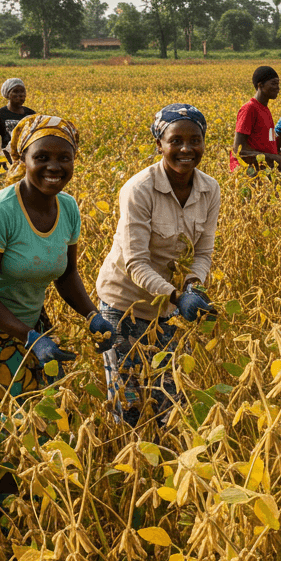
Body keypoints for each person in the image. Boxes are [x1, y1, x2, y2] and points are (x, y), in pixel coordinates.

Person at [0, 115, 115, 423]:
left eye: (65, 158)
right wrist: (31, 338)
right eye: (42, 157)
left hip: (29, 326)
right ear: (22, 159)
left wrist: (92, 314)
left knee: (43, 417)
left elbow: (67, 275)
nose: (54, 167)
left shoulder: (69, 208)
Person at [96, 104, 219, 426]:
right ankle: (130, 468)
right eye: (175, 140)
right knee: (129, 402)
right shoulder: (139, 189)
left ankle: (165, 465)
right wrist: (179, 297)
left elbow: (203, 252)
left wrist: (194, 287)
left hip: (168, 310)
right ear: (159, 145)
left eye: (195, 140)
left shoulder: (209, 189)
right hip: (124, 305)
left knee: (169, 400)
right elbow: (136, 261)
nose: (186, 149)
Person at [230, 66, 281, 175]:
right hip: (250, 173)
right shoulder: (249, 109)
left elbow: (268, 146)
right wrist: (276, 158)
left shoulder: (265, 110)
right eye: (273, 83)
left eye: (278, 84)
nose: (277, 88)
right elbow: (239, 151)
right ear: (260, 85)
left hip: (265, 169)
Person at [0, 78, 36, 170]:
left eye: (22, 91)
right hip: (7, 163)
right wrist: (1, 155)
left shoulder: (31, 114)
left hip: (29, 162)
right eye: (15, 92)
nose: (20, 95)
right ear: (7, 95)